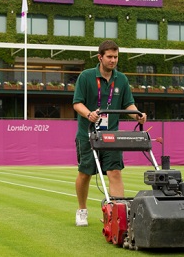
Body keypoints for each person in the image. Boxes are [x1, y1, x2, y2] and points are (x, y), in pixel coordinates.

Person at [72, 40, 147, 227]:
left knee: (115, 171)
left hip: (111, 135)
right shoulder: (86, 76)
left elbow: (128, 104)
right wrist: (88, 114)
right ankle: (82, 209)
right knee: (85, 173)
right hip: (88, 133)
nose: (113, 60)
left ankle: (118, 214)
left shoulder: (121, 79)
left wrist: (137, 115)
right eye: (110, 57)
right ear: (100, 57)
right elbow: (77, 103)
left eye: (116, 57)